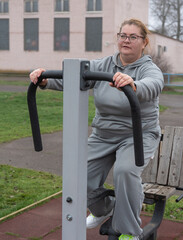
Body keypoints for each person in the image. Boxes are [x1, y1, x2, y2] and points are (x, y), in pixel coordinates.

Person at [29, 18, 164, 240]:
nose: (126, 40)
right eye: (123, 36)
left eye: (133, 37)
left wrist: (133, 84)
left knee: (125, 171)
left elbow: (154, 85)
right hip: (104, 134)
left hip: (137, 136)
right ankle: (104, 209)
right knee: (77, 172)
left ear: (144, 41)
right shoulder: (103, 65)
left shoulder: (149, 69)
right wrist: (44, 80)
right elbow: (73, 78)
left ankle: (129, 231)